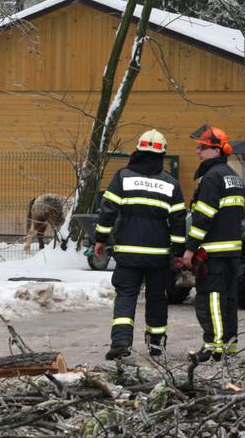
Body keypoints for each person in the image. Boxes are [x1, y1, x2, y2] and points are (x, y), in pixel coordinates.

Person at [94, 129, 186, 360]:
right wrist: (178, 252)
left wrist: (100, 239)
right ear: (162, 153)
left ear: (138, 149)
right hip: (158, 255)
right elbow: (177, 222)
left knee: (126, 296)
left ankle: (121, 343)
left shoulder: (122, 177)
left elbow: (108, 211)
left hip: (128, 253)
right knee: (157, 298)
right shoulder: (171, 183)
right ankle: (156, 345)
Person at [182, 125, 245, 362]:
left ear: (217, 151)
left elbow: (203, 217)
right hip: (232, 252)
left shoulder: (211, 178)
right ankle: (229, 346)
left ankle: (214, 347)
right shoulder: (234, 177)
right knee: (229, 300)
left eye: (203, 147)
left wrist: (190, 247)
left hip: (214, 253)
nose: (198, 151)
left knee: (212, 300)